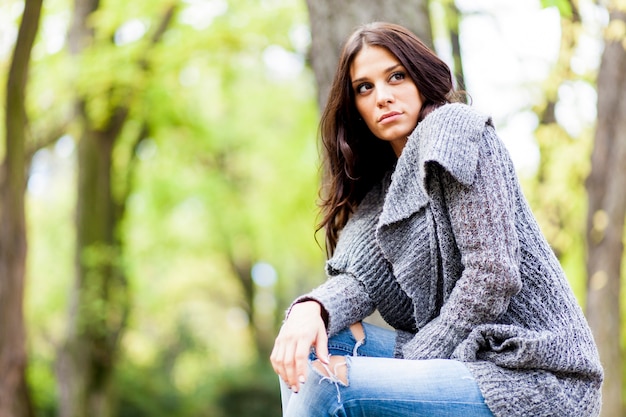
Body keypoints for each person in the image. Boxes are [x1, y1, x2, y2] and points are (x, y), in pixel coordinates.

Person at [270, 22, 603, 417]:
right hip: (464, 359)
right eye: (365, 87)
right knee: (312, 344)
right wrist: (310, 310)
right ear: (354, 106)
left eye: (396, 76)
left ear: (420, 76)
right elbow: (356, 283)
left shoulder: (456, 131)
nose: (383, 97)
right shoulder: (385, 191)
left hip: (536, 376)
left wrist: (415, 360)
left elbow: (492, 274)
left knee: (329, 388)